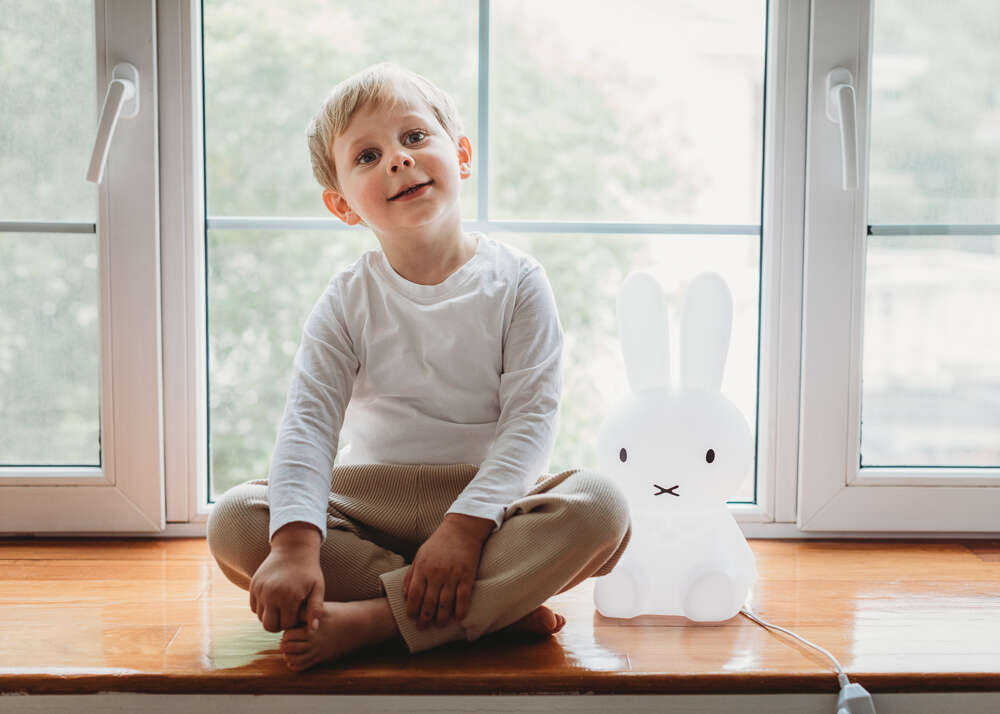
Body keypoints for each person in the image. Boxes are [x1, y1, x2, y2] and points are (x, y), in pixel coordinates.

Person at [206, 62, 632, 672]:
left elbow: (529, 426)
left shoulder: (518, 281)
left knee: (602, 506)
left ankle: (382, 621)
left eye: (413, 139)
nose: (398, 161)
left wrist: (464, 531)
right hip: (369, 502)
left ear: (458, 155)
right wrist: (297, 545)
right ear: (342, 205)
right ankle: (488, 611)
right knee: (235, 522)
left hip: (487, 508)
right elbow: (308, 425)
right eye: (368, 156)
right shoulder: (347, 297)